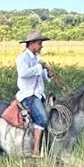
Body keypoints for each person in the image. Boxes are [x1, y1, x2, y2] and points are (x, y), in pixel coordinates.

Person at [15, 30, 55, 158]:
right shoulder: (22, 58)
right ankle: (36, 151)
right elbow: (23, 73)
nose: (41, 46)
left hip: (39, 94)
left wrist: (48, 74)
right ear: (31, 44)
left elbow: (42, 77)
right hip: (28, 95)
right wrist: (39, 67)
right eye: (39, 43)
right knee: (42, 119)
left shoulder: (38, 59)